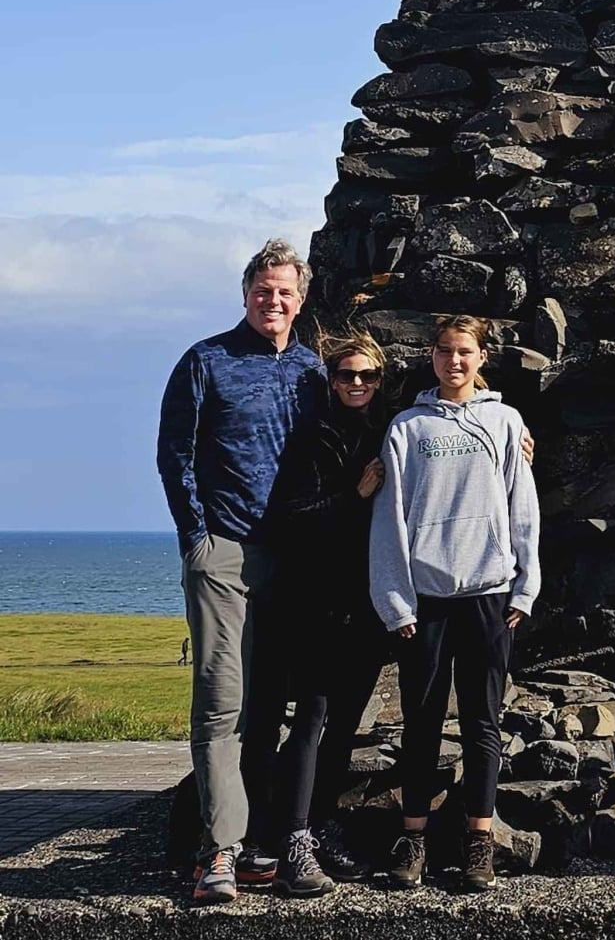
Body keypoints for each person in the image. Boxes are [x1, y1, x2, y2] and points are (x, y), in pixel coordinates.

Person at [156, 239, 325, 904]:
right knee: (221, 702)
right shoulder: (206, 361)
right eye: (263, 289)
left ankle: (263, 846)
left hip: (295, 558)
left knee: (271, 707)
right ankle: (217, 852)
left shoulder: (315, 371)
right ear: (246, 293)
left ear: (301, 299)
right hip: (225, 550)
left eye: (285, 291)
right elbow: (175, 455)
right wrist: (197, 539)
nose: (273, 300)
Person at [369, 315, 540, 892]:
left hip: (490, 596)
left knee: (481, 723)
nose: (454, 361)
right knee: (420, 722)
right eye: (445, 351)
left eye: (465, 352)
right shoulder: (407, 428)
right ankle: (412, 840)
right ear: (432, 357)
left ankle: (479, 842)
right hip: (427, 599)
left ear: (481, 357)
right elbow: (389, 521)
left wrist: (524, 587)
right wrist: (396, 601)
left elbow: (523, 510)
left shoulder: (505, 421)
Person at [261, 330, 395, 896]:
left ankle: (320, 825)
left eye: (367, 376)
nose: (357, 384)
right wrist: (355, 495)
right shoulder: (313, 434)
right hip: (317, 601)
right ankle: (292, 838)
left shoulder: (392, 431)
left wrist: (515, 442)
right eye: (346, 376)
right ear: (331, 380)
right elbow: (292, 516)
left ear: (380, 380)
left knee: (343, 724)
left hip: (367, 602)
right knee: (312, 721)